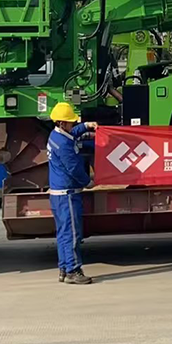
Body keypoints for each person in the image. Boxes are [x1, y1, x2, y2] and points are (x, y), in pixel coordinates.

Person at [48, 102, 98, 284]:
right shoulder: (64, 145)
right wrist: (88, 181)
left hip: (58, 194)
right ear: (62, 123)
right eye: (70, 123)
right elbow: (74, 169)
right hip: (67, 194)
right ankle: (73, 271)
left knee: (63, 234)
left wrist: (86, 126)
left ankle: (63, 268)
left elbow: (73, 133)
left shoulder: (56, 135)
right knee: (73, 234)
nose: (72, 125)